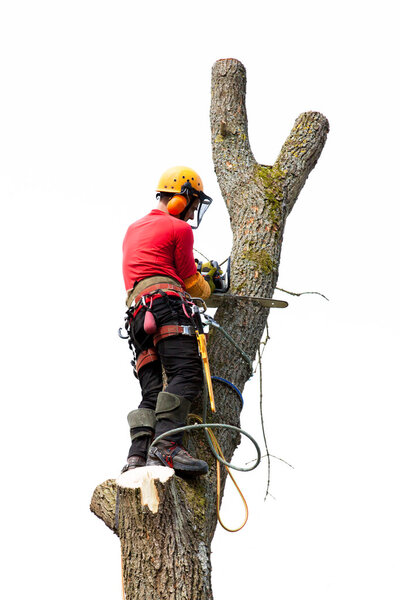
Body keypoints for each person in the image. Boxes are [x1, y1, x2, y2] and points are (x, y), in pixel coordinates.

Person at [121, 166, 219, 476]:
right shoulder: (180, 230)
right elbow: (191, 282)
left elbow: (153, 266)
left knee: (151, 392)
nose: (191, 216)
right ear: (182, 198)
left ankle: (137, 457)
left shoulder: (134, 229)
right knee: (187, 373)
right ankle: (166, 445)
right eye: (191, 206)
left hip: (137, 316)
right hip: (167, 306)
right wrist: (212, 285)